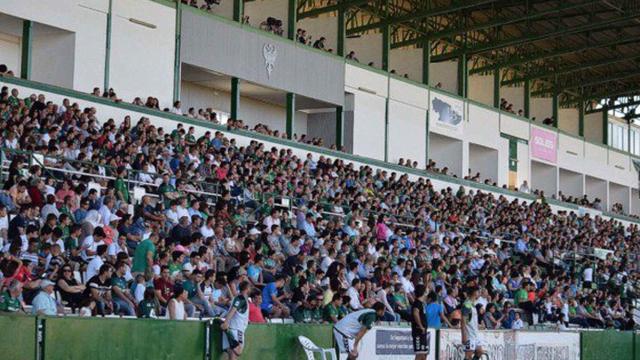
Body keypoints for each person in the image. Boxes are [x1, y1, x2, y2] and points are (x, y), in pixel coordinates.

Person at [221, 281, 251, 360]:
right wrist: (226, 322)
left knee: (232, 358)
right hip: (236, 329)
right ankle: (228, 334)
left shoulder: (241, 298)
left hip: (233, 328)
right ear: (247, 289)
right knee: (238, 351)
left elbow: (238, 312)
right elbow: (233, 310)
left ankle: (228, 333)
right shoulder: (241, 298)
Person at [461, 287, 484, 360]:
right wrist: (464, 335)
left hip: (475, 333)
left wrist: (478, 326)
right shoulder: (467, 304)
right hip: (469, 334)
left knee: (479, 351)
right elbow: (463, 320)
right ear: (474, 293)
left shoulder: (473, 304)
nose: (479, 293)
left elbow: (470, 319)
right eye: (478, 291)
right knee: (468, 356)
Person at [411, 284, 429, 360]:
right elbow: (415, 313)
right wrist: (421, 326)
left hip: (423, 331)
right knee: (420, 354)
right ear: (423, 292)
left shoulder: (422, 302)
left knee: (424, 354)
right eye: (425, 290)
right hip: (418, 331)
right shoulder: (417, 303)